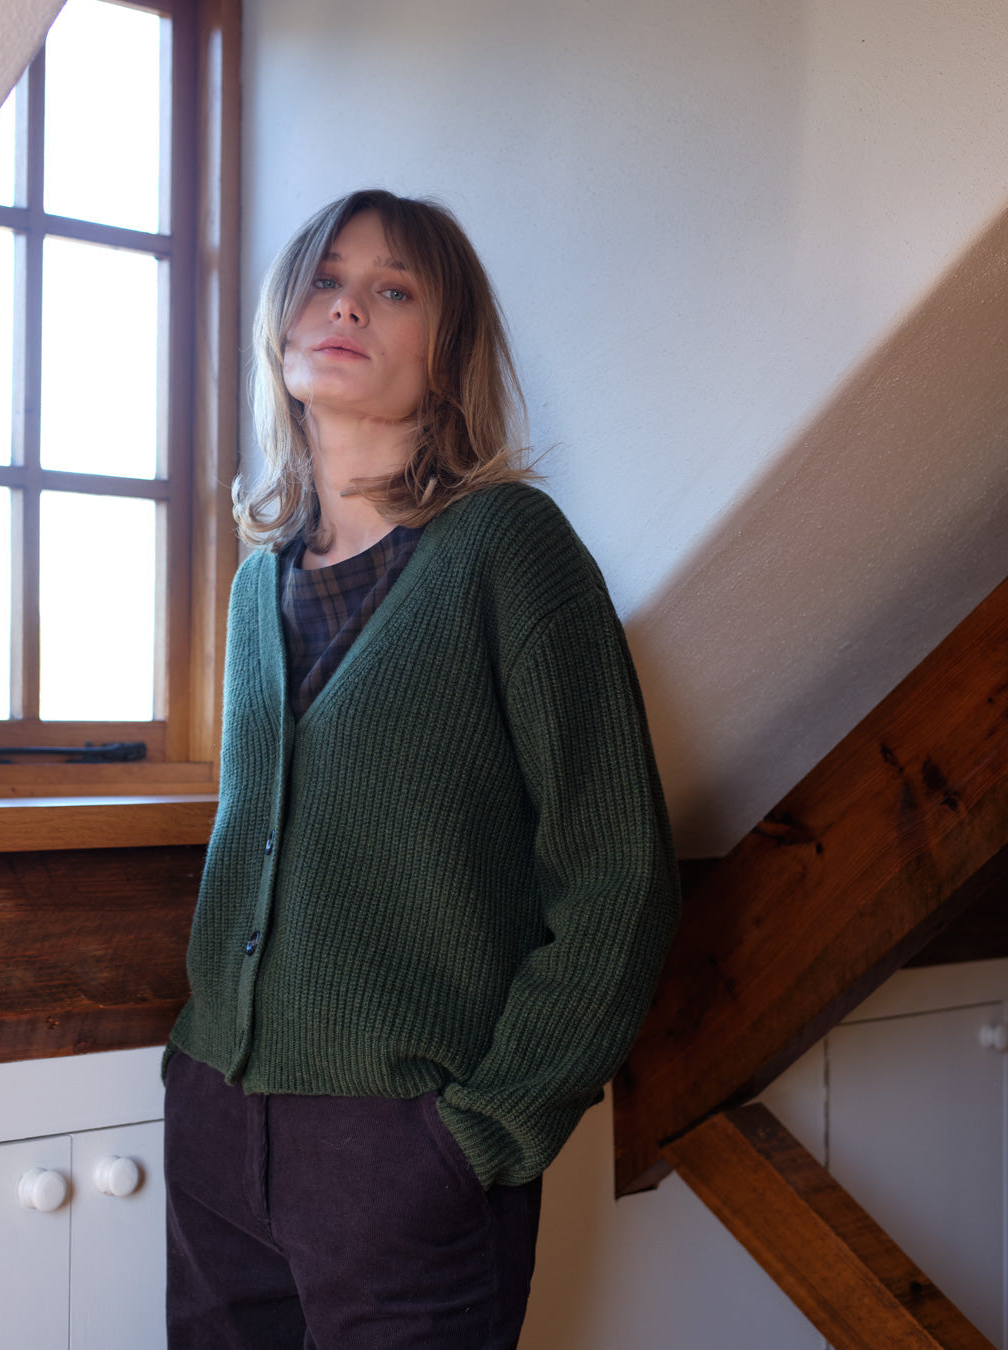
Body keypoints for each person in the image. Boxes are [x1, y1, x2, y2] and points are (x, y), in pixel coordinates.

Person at [163, 188, 681, 1349]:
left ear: (446, 356)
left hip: (401, 1144)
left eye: (392, 289)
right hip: (215, 1121)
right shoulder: (257, 583)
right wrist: (199, 1083)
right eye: (324, 278)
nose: (346, 304)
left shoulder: (510, 548)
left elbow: (621, 874)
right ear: (281, 325)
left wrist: (483, 1130)